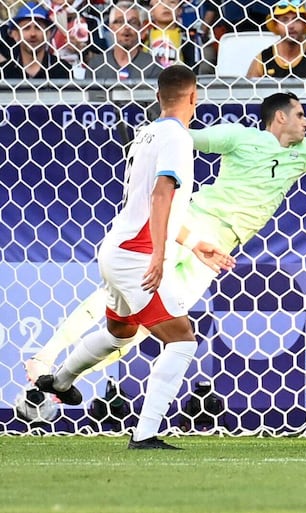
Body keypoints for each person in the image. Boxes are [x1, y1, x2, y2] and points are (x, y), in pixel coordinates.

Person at [26, 87, 306, 401]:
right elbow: (185, 139)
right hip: (187, 226)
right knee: (115, 295)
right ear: (279, 118)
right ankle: (44, 358)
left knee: (144, 326)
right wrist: (146, 138)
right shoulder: (239, 137)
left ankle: (61, 380)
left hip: (215, 254)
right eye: (300, 115)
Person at [35, 65, 236, 450]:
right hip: (137, 256)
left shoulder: (146, 135)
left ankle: (59, 381)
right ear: (194, 98)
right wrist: (160, 254)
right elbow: (161, 196)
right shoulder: (178, 138)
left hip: (115, 249)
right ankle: (144, 435)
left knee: (120, 332)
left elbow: (149, 203)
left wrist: (193, 242)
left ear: (158, 98)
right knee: (181, 339)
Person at [247, 0, 306, 79]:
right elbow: (250, 94)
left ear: (304, 23)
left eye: (296, 19)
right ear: (275, 25)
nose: (291, 26)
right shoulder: (263, 59)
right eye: (284, 20)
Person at [87, 0, 163, 81]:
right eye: (120, 21)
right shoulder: (97, 64)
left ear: (140, 28)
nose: (127, 27)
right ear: (111, 27)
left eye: (133, 22)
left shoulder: (152, 65)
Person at [0, 2, 71, 80]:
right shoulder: (4, 71)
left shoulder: (62, 70)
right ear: (15, 35)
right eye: (26, 28)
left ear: (48, 34)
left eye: (38, 27)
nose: (33, 34)